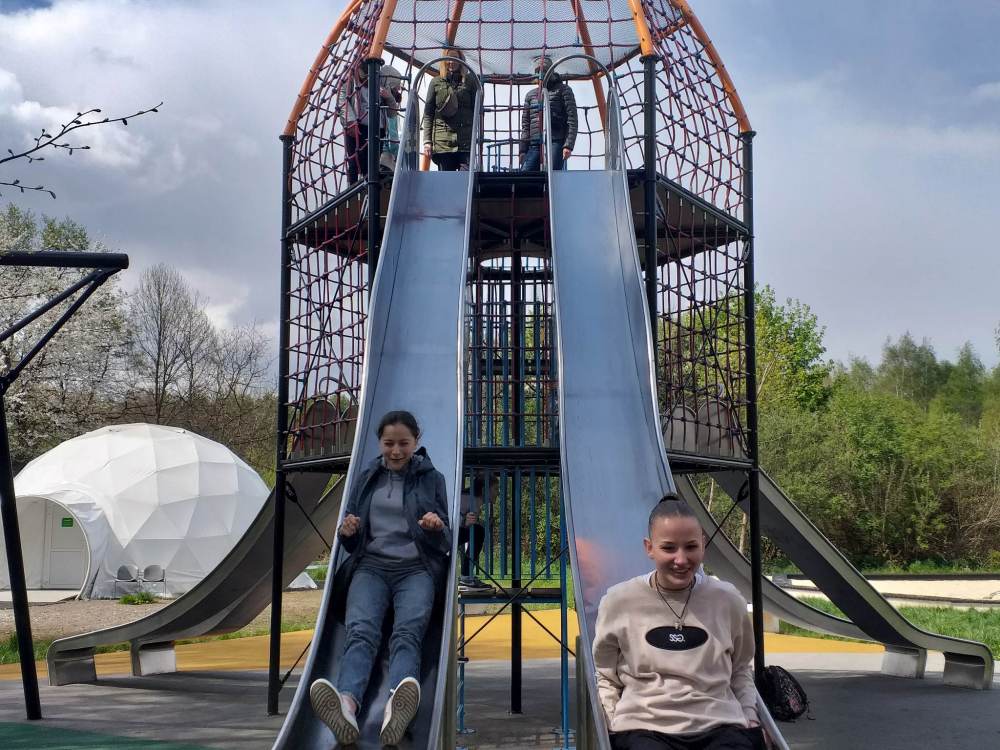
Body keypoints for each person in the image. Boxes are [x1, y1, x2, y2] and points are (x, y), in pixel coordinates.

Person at [309, 410, 451, 746]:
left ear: (416, 442)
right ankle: (346, 705)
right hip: (371, 566)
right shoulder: (367, 477)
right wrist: (347, 531)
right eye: (389, 443)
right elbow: (351, 537)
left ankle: (395, 707)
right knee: (361, 631)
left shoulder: (432, 479)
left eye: (404, 443)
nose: (396, 451)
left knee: (407, 632)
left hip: (415, 569)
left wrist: (435, 526)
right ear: (380, 443)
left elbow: (446, 538)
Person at [592, 494, 765, 750]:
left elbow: (740, 669)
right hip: (644, 727)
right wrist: (610, 720)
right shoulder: (619, 601)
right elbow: (606, 676)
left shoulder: (728, 600)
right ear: (649, 548)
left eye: (691, 547)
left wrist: (749, 714)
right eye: (669, 548)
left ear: (703, 545)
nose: (681, 559)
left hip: (720, 724)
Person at [339, 63, 399, 185]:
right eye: (364, 77)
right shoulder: (351, 79)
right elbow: (342, 100)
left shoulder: (381, 80)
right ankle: (354, 189)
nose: (367, 80)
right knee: (354, 162)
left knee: (371, 165)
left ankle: (370, 188)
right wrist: (350, 121)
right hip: (357, 126)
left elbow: (392, 112)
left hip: (377, 128)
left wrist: (388, 97)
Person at [421, 47, 479, 171]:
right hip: (443, 143)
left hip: (465, 142)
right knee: (446, 179)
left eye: (455, 58)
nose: (451, 62)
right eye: (448, 59)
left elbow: (477, 109)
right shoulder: (436, 82)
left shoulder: (470, 81)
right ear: (444, 61)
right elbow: (428, 113)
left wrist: (477, 137)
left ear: (461, 60)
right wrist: (427, 142)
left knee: (465, 177)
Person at [520, 55, 578, 172]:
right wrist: (523, 150)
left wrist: (568, 145)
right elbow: (526, 124)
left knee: (552, 173)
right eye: (538, 71)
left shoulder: (563, 90)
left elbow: (572, 119)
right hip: (534, 143)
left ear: (551, 72)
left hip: (556, 140)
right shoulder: (530, 95)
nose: (541, 74)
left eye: (544, 71)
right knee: (525, 174)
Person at [458, 474, 492, 593]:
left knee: (478, 530)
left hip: (446, 533)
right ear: (484, 490)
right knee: (478, 531)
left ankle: (466, 576)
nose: (498, 493)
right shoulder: (473, 499)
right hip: (444, 534)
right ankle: (466, 577)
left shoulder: (472, 498)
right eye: (495, 489)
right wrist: (464, 522)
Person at [379, 65, 404, 174]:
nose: (398, 91)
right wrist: (399, 154)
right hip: (386, 162)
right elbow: (392, 140)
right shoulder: (390, 108)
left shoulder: (374, 100)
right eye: (396, 88)